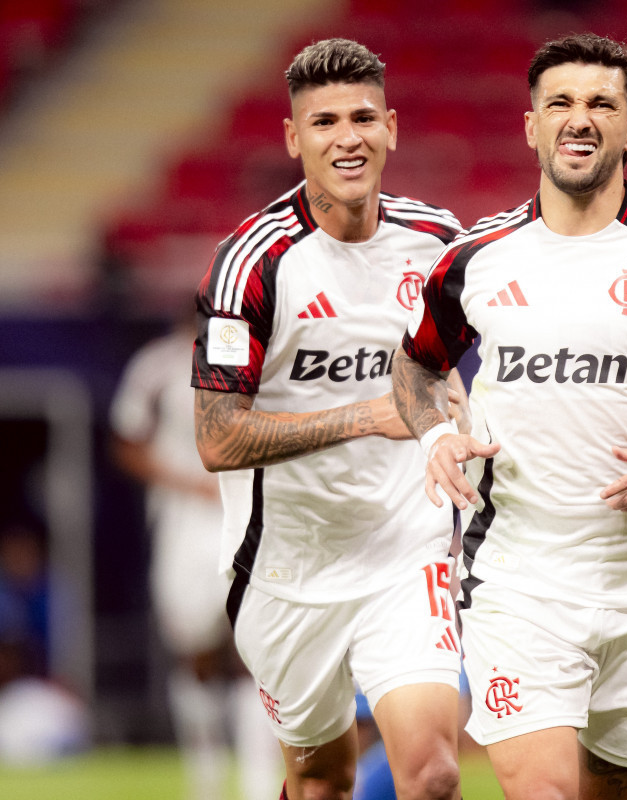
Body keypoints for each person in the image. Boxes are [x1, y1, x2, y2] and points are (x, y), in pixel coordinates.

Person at [391, 32, 627, 800]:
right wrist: (434, 430)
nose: (579, 118)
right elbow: (416, 364)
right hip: (517, 580)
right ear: (531, 125)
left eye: (602, 103)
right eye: (559, 102)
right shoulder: (478, 256)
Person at [191, 38, 469, 800]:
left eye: (363, 117)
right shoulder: (253, 264)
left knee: (434, 773)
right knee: (321, 781)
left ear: (392, 128)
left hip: (403, 550)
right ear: (294, 139)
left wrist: (453, 422)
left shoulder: (439, 240)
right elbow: (217, 439)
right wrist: (367, 417)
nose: (347, 136)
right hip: (286, 566)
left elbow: (451, 371)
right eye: (323, 123)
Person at [111, 316, 280, 800]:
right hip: (184, 523)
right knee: (194, 652)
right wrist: (188, 483)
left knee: (254, 648)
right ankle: (206, 778)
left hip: (249, 513)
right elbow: (127, 442)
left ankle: (258, 784)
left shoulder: (261, 359)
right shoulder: (158, 365)